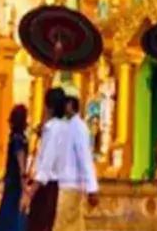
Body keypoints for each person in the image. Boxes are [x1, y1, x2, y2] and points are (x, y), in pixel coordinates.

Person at [49, 90, 98, 231]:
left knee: (63, 225)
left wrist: (92, 188)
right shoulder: (66, 127)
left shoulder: (79, 128)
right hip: (64, 184)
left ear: (70, 105)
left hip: (71, 185)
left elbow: (85, 158)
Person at [24, 89, 65, 231]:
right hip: (52, 186)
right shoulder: (59, 128)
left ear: (49, 107)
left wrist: (31, 191)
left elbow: (46, 166)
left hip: (45, 188)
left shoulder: (53, 130)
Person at [0, 105, 29, 231]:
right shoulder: (21, 138)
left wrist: (23, 180)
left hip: (14, 182)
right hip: (13, 180)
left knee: (11, 211)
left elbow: (20, 158)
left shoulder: (16, 139)